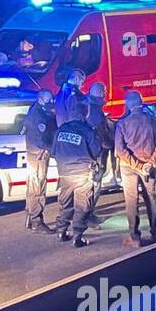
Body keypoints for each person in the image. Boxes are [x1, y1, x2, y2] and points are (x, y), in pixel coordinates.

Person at [113, 89, 156, 247]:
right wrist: (150, 164)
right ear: (141, 103)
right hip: (148, 166)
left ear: (128, 105)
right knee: (151, 199)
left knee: (131, 201)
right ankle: (155, 233)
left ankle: (134, 237)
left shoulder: (122, 123)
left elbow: (120, 150)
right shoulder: (153, 120)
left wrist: (137, 165)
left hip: (129, 167)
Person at [52, 97, 103, 246]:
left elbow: (54, 151)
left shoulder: (61, 130)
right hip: (82, 174)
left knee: (65, 204)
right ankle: (77, 237)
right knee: (82, 206)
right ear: (85, 114)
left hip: (65, 174)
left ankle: (61, 232)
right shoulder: (88, 131)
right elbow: (96, 151)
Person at [20, 89, 57, 232]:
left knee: (32, 187)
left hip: (35, 155)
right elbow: (41, 141)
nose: (51, 103)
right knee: (38, 188)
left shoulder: (36, 109)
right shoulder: (38, 117)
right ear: (41, 100)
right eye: (49, 101)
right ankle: (37, 221)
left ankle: (30, 217)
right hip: (38, 156)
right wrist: (54, 151)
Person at [86, 80, 115, 192]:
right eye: (104, 91)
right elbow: (100, 132)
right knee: (96, 177)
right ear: (101, 93)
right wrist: (109, 144)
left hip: (90, 148)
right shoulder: (95, 110)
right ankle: (90, 203)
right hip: (97, 150)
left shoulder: (88, 104)